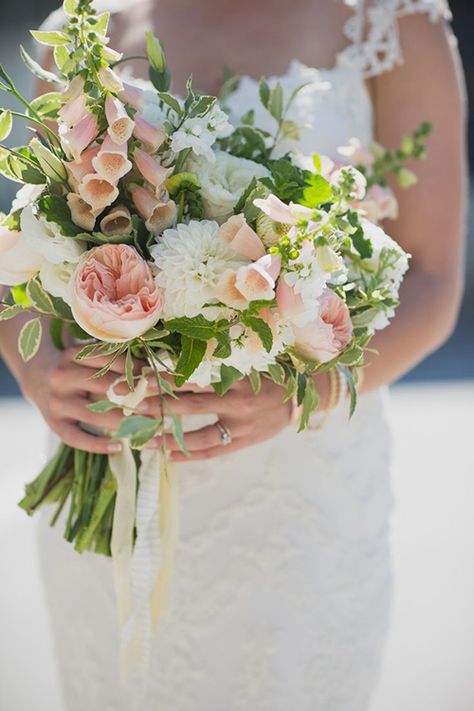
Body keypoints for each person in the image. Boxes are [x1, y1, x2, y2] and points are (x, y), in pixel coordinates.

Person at [0, 0, 466, 709]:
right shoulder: (85, 31)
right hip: (115, 487)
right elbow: (22, 250)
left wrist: (303, 393)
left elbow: (432, 281)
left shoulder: (394, 26)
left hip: (299, 504)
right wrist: (35, 367)